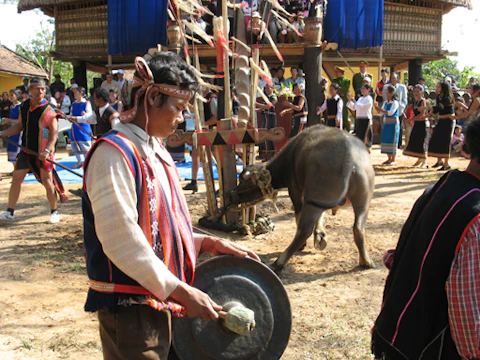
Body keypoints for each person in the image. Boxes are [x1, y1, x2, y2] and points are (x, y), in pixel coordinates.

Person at [82, 53, 260, 360]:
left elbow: (158, 234)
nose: (181, 118)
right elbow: (121, 240)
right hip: (132, 311)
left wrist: (206, 242)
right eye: (178, 108)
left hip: (168, 301)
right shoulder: (113, 154)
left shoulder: (156, 152)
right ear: (151, 97)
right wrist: (181, 290)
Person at [372, 114, 480, 360]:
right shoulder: (475, 217)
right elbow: (467, 324)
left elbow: (396, 258)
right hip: (430, 347)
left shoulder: (439, 188)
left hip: (394, 336)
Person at [0, 77, 65, 223]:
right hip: (26, 151)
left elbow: (54, 132)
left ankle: (54, 211)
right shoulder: (24, 106)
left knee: (47, 181)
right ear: (30, 90)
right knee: (16, 179)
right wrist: (3, 133)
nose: (40, 91)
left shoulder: (49, 110)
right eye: (37, 89)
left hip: (43, 152)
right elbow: (20, 126)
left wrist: (48, 151)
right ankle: (10, 212)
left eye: (43, 89)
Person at [183, 87, 218, 193]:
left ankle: (222, 183)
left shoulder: (212, 99)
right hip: (202, 131)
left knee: (216, 157)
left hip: (211, 132)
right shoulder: (202, 99)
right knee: (195, 154)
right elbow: (199, 111)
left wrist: (204, 124)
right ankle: (194, 181)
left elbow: (216, 117)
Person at [425, 80, 455, 171]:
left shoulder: (447, 98)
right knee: (438, 138)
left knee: (445, 141)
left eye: (439, 87)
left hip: (448, 121)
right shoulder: (439, 97)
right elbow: (436, 110)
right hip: (441, 120)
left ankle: (446, 164)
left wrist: (428, 109)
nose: (437, 89)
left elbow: (439, 108)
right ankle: (439, 161)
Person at [403, 85, 429, 168]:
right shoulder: (414, 101)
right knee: (416, 141)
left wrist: (411, 119)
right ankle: (419, 158)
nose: (416, 93)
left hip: (422, 123)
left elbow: (422, 114)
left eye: (418, 91)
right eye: (415, 91)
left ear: (421, 92)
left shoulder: (423, 101)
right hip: (416, 123)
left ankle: (425, 161)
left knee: (422, 141)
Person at [375, 84, 400, 166]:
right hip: (386, 123)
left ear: (392, 93)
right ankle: (389, 158)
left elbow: (390, 113)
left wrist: (380, 109)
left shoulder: (395, 102)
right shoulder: (385, 102)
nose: (386, 94)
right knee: (387, 139)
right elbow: (381, 113)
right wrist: (376, 108)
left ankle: (393, 159)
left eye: (388, 92)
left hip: (393, 123)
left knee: (393, 140)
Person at [69, 86, 93, 168]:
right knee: (74, 144)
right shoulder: (73, 104)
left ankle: (87, 162)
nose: (75, 94)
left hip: (83, 126)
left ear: (81, 93)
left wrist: (84, 115)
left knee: (85, 145)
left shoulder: (86, 103)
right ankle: (79, 162)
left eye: (76, 93)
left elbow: (89, 115)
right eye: (74, 93)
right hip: (74, 127)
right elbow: (71, 114)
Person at [347, 84, 374, 148]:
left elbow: (362, 106)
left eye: (364, 89)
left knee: (365, 135)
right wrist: (350, 101)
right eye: (362, 89)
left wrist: (355, 101)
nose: (362, 90)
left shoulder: (369, 98)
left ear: (368, 90)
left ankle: (366, 148)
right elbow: (354, 107)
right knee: (359, 135)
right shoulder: (360, 98)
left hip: (365, 119)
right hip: (359, 119)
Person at [256, 84, 278, 160]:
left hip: (270, 119)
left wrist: (256, 104)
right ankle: (263, 153)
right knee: (263, 134)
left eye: (269, 88)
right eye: (266, 89)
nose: (267, 90)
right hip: (265, 118)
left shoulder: (273, 97)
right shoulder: (266, 98)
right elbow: (262, 109)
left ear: (272, 89)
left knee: (269, 135)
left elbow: (268, 106)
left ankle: (270, 154)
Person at [3, 89, 22, 170]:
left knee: (17, 148)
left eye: (12, 95)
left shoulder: (20, 106)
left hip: (18, 130)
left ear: (17, 96)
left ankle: (19, 169)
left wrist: (9, 120)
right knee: (11, 147)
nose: (10, 97)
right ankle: (15, 168)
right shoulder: (12, 106)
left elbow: (20, 121)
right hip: (12, 130)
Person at [390, 73, 408, 148]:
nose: (393, 80)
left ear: (397, 79)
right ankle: (391, 143)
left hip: (399, 110)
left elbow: (404, 99)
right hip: (390, 109)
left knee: (399, 126)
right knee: (391, 126)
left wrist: (402, 107)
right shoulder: (388, 87)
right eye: (392, 78)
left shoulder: (402, 87)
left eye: (395, 78)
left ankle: (399, 143)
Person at [332, 66, 351, 132]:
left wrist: (338, 90)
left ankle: (347, 130)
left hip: (344, 100)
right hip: (336, 100)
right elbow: (334, 88)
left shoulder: (347, 80)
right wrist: (340, 91)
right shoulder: (334, 80)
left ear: (341, 73)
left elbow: (345, 89)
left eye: (338, 72)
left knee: (345, 116)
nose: (337, 73)